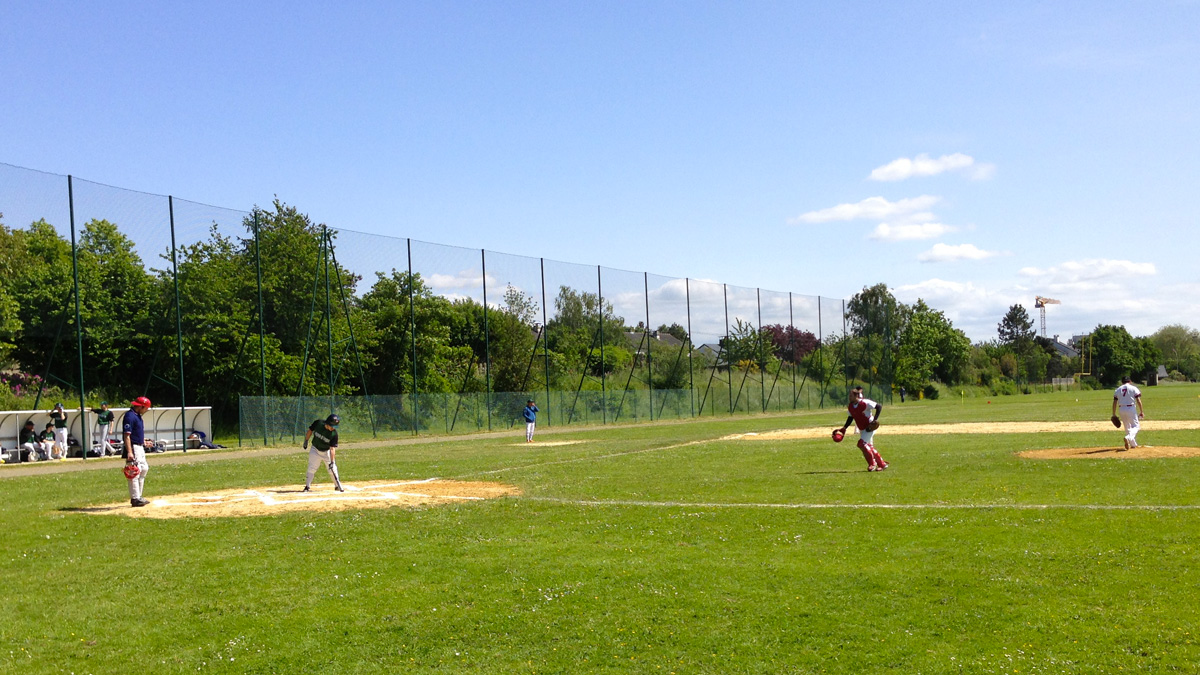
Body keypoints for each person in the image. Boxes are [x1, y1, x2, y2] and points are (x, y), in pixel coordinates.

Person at [836, 385, 889, 472]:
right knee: (868, 446)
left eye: (851, 396)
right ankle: (882, 464)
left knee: (861, 444)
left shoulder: (865, 402)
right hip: (862, 428)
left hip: (870, 427)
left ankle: (872, 464)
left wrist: (875, 420)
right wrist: (844, 427)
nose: (849, 397)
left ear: (856, 396)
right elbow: (850, 417)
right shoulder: (851, 406)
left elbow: (878, 406)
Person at [123, 396, 153, 507]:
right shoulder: (129, 416)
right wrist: (129, 452)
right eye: (146, 408)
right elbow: (127, 436)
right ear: (141, 406)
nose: (146, 410)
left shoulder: (138, 416)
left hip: (139, 446)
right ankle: (135, 498)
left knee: (144, 469)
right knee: (134, 471)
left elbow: (136, 433)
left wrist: (143, 441)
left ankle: (139, 496)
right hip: (133, 447)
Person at [302, 414, 345, 492]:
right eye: (331, 426)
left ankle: (337, 485)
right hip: (315, 449)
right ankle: (307, 486)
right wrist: (306, 440)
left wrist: (332, 462)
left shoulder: (334, 434)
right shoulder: (318, 423)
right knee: (312, 467)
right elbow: (310, 430)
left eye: (334, 427)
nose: (332, 428)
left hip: (326, 451)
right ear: (327, 423)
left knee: (332, 469)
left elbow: (332, 449)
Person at [1112, 376, 1145, 451]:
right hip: (1131, 408)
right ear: (1130, 381)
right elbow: (1138, 400)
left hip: (1121, 408)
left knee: (1127, 427)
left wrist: (1114, 414)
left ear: (1122, 382)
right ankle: (1128, 437)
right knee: (1136, 426)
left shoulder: (1118, 389)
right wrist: (1141, 411)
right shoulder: (1133, 388)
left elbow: (1114, 402)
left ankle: (1133, 444)